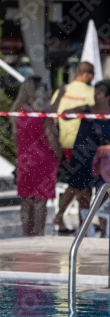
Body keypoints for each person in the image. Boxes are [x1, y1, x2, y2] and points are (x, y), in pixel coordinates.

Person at [11, 76, 62, 237]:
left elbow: (14, 138)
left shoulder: (18, 111)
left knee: (26, 200)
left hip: (25, 160)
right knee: (40, 201)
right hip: (44, 161)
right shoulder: (43, 114)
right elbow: (52, 139)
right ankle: (38, 235)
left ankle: (26, 235)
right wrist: (60, 156)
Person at [52, 61, 95, 233]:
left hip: (63, 142)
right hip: (83, 143)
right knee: (82, 184)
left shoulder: (63, 91)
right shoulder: (91, 93)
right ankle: (83, 222)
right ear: (87, 75)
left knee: (75, 183)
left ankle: (70, 218)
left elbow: (54, 116)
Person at [63, 80, 110, 236]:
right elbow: (65, 116)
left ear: (108, 96)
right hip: (83, 158)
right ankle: (84, 230)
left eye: (99, 93)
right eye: (94, 93)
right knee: (83, 194)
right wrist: (79, 113)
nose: (95, 96)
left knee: (103, 196)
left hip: (104, 162)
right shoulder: (86, 109)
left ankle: (104, 231)